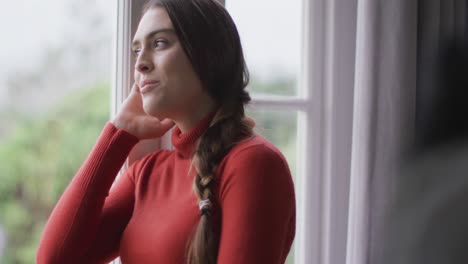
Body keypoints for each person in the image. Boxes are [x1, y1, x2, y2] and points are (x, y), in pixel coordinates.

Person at [36, 0, 296, 263]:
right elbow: (54, 258)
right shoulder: (145, 174)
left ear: (208, 54)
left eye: (159, 43)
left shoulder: (254, 163)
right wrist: (118, 134)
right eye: (137, 50)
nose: (140, 64)